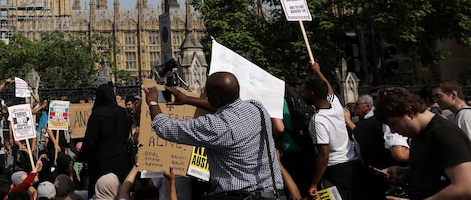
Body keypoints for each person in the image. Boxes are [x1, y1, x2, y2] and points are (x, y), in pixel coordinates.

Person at [144, 72, 284, 197]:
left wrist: (152, 101)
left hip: (240, 194)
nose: (205, 94)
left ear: (216, 99)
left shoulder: (217, 127)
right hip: (272, 193)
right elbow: (223, 107)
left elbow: (164, 127)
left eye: (207, 93)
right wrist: (187, 99)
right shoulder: (257, 108)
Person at [375, 87, 471, 200]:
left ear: (410, 113)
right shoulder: (418, 134)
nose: (393, 130)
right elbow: (436, 169)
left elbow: (465, 187)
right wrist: (405, 172)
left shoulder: (444, 134)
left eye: (393, 124)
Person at [303, 62, 363, 200]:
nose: (302, 94)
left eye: (304, 91)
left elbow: (323, 156)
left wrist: (314, 184)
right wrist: (317, 71)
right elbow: (329, 90)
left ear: (312, 94)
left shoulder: (318, 119)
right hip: (352, 165)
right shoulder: (335, 105)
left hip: (335, 172)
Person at [344, 93, 408, 200]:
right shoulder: (364, 123)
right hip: (377, 174)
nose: (354, 108)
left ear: (367, 107)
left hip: (392, 174)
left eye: (357, 105)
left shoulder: (382, 121)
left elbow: (399, 154)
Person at [78, 82, 131, 197]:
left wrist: (83, 156)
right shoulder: (123, 113)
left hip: (101, 163)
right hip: (121, 162)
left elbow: (90, 140)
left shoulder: (97, 114)